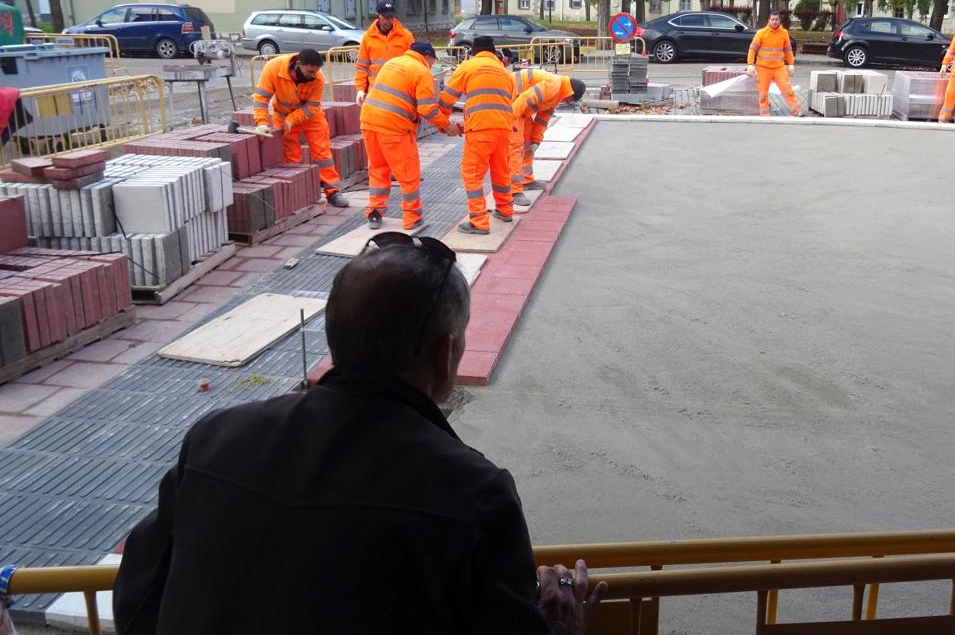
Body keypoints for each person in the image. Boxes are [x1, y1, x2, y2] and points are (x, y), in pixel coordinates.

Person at [113, 235, 607, 634]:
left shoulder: (213, 439)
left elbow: (137, 597)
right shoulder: (474, 494)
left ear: (334, 334)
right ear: (444, 354)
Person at [361, 40, 462, 231]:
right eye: (432, 61)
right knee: (408, 174)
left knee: (378, 168)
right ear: (427, 56)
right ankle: (412, 218)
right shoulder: (421, 70)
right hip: (395, 127)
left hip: (368, 121)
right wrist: (447, 126)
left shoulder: (392, 63)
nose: (432, 65)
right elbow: (426, 108)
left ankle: (374, 212)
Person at [252, 48, 347, 207]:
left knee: (323, 154)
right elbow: (261, 98)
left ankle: (332, 191)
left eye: (315, 71)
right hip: (282, 115)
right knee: (291, 156)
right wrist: (261, 123)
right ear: (298, 64)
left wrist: (292, 119)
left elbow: (312, 106)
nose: (313, 75)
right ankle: (297, 192)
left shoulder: (318, 78)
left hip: (310, 116)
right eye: (310, 71)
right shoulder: (273, 68)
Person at [439, 36, 515, 235]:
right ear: (493, 51)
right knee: (501, 171)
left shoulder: (469, 66)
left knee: (472, 175)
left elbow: (446, 99)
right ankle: (505, 210)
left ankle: (479, 221)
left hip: (480, 130)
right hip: (505, 129)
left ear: (473, 52)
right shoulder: (504, 72)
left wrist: (445, 124)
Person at [510, 66, 586, 206]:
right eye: (570, 100)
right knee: (515, 145)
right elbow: (525, 98)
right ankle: (514, 191)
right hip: (513, 101)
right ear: (570, 93)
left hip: (520, 108)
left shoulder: (556, 96)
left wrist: (535, 142)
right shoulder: (554, 85)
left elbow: (541, 121)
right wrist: (510, 118)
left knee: (527, 144)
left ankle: (526, 180)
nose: (568, 102)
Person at [355, 2, 415, 106]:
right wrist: (360, 89)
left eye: (391, 17)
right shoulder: (368, 37)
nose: (389, 21)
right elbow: (362, 67)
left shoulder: (406, 36)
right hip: (376, 91)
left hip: (400, 91)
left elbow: (414, 64)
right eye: (386, 17)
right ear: (378, 16)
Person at [747, 10, 802, 117]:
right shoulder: (761, 33)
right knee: (763, 93)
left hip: (779, 68)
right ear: (769, 20)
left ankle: (796, 110)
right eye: (772, 19)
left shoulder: (784, 33)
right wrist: (750, 64)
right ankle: (765, 113)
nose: (774, 22)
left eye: (776, 20)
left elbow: (788, 50)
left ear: (779, 21)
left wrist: (791, 63)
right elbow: (752, 49)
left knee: (787, 89)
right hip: (763, 68)